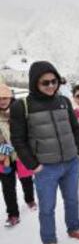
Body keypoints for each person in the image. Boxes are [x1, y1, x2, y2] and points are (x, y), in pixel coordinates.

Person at [10, 61, 79, 244]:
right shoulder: (22, 106)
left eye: (54, 81)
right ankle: (50, 241)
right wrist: (33, 165)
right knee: (47, 207)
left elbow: (75, 128)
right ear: (34, 83)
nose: (50, 86)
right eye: (44, 83)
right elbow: (18, 140)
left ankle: (74, 228)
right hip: (45, 167)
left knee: (72, 199)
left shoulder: (64, 101)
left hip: (71, 162)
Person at [0, 84, 36, 228]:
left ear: (10, 97)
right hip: (4, 158)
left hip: (22, 155)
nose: (2, 101)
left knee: (26, 180)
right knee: (7, 187)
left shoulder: (19, 112)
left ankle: (30, 199)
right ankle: (13, 214)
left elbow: (29, 132)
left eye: (4, 97)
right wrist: (5, 149)